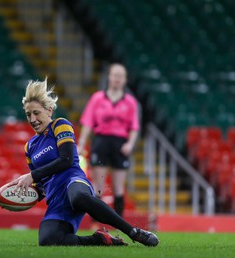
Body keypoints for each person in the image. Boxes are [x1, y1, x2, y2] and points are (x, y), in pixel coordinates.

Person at [9, 78, 158, 247]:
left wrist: (32, 175)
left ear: (49, 110)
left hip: (74, 182)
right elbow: (41, 185)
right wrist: (23, 197)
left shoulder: (60, 125)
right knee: (47, 241)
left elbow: (65, 160)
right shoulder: (29, 147)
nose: (32, 119)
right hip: (56, 199)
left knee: (79, 197)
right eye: (28, 114)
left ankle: (133, 232)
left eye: (36, 113)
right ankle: (100, 240)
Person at [77, 63, 139, 218]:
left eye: (121, 76)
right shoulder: (97, 98)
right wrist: (81, 144)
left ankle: (119, 224)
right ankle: (94, 221)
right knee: (98, 187)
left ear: (125, 80)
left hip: (120, 144)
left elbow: (134, 127)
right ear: (109, 77)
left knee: (118, 188)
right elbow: (88, 123)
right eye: (114, 75)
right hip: (101, 142)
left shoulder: (130, 102)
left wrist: (130, 144)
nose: (117, 79)